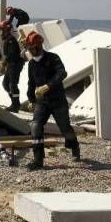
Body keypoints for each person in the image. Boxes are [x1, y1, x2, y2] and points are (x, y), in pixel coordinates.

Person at [24, 31, 80, 170]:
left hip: (58, 100)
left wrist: (48, 86)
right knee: (35, 126)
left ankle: (74, 146)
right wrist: (31, 99)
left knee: (65, 128)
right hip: (42, 102)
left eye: (32, 48)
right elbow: (31, 83)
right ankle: (38, 160)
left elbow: (62, 73)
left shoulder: (53, 58)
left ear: (39, 46)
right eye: (29, 48)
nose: (30, 51)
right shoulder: (31, 64)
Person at [0, 20, 25, 112]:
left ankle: (15, 105)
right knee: (6, 84)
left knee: (12, 84)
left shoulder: (11, 40)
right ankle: (14, 102)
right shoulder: (8, 39)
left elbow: (12, 55)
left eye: (1, 30)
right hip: (11, 64)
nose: (0, 32)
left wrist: (4, 64)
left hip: (15, 65)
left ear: (6, 30)